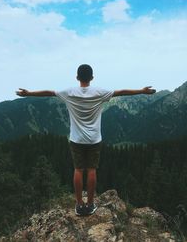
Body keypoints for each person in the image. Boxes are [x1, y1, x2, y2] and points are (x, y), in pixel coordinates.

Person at [16, 64, 156, 216]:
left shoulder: (69, 92)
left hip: (76, 139)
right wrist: (142, 91)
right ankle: (90, 204)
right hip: (94, 139)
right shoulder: (99, 92)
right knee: (91, 170)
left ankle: (79, 204)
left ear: (77, 77)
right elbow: (121, 92)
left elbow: (49, 92)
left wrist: (28, 93)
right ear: (92, 78)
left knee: (78, 169)